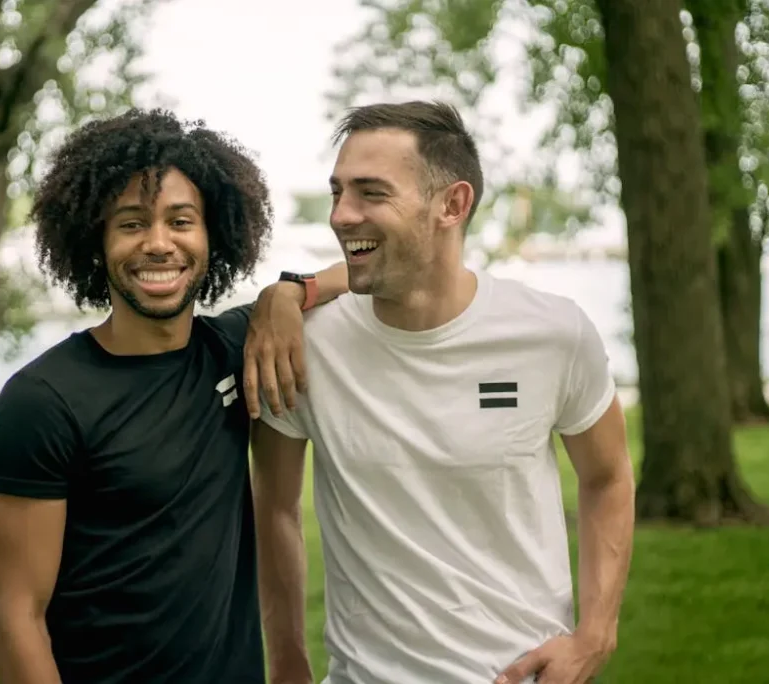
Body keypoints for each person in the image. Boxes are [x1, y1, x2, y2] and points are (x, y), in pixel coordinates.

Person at [250, 100, 636, 684]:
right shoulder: (304, 346)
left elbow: (608, 477)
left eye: (371, 193)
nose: (342, 215)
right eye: (337, 192)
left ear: (452, 205)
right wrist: (286, 665)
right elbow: (274, 508)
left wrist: (596, 633)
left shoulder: (553, 333)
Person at [0, 108, 347, 684]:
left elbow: (362, 271)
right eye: (130, 224)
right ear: (95, 243)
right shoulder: (42, 403)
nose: (158, 244)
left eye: (180, 221)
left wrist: (287, 291)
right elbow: (13, 616)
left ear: (212, 235)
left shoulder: (234, 349)